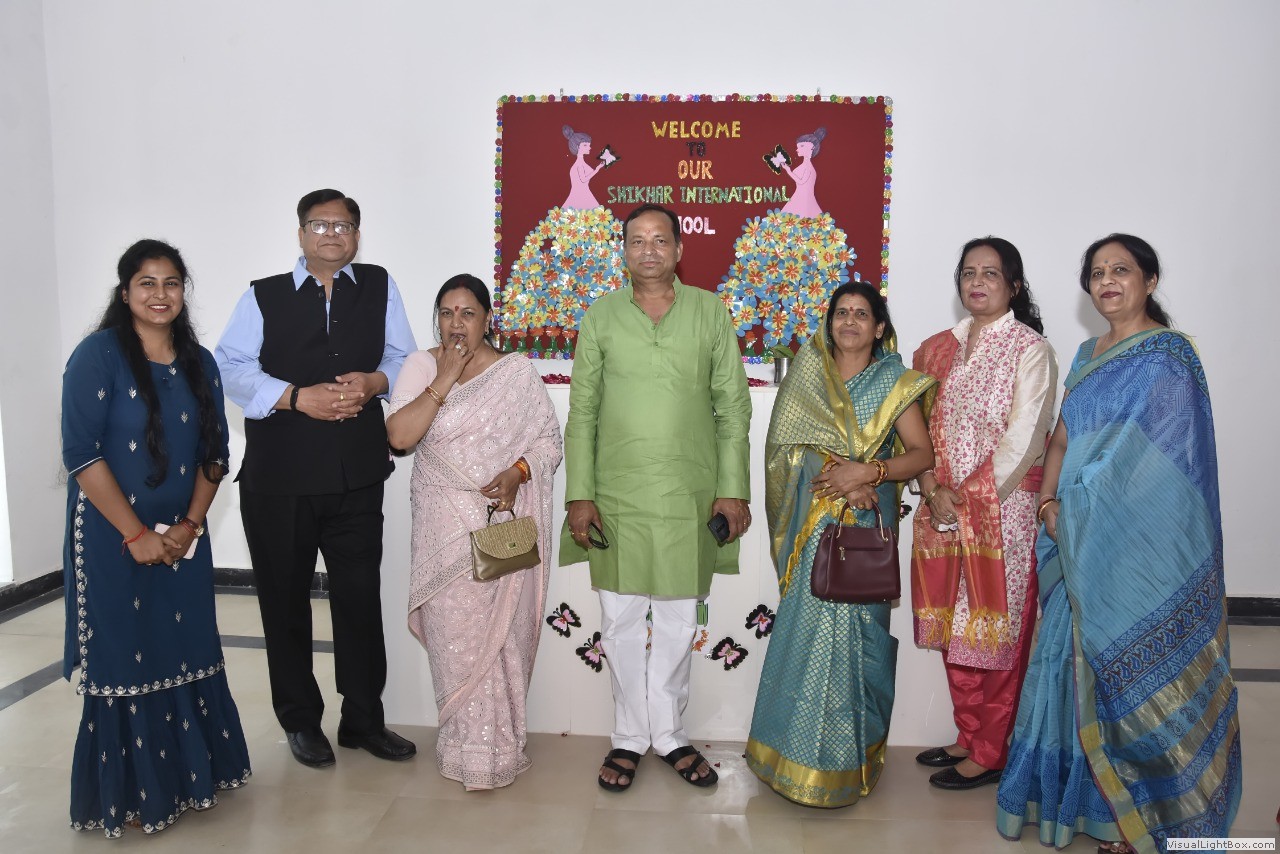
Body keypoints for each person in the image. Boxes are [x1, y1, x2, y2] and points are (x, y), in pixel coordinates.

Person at [996, 235, 1242, 853]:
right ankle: (1080, 809)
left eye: (1121, 270)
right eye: (1097, 273)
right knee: (1068, 667)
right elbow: (1062, 437)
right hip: (1074, 537)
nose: (1107, 281)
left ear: (1149, 281)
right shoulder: (1088, 353)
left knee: (1136, 677)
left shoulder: (1168, 359)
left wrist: (1081, 509)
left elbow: (1168, 462)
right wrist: (1048, 502)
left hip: (1138, 547)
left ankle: (1151, 820)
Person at [216, 189, 417, 767]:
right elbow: (228, 365)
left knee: (359, 600)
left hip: (357, 476)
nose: (332, 234)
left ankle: (363, 719)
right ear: (301, 233)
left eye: (343, 225)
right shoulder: (263, 294)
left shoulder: (379, 285)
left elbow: (404, 358)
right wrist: (293, 396)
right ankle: (301, 721)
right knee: (284, 605)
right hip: (279, 480)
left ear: (357, 235)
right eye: (320, 224)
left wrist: (376, 383)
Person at [561, 203, 752, 792]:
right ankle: (628, 736)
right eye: (637, 240)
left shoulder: (710, 312)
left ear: (678, 250)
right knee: (619, 618)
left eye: (660, 240)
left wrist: (732, 490)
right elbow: (582, 410)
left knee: (676, 618)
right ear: (624, 250)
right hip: (615, 494)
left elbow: (733, 407)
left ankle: (668, 735)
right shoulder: (601, 316)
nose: (648, 250)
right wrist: (580, 494)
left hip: (688, 494)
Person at [62, 240, 250, 836]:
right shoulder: (97, 356)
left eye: (171, 283)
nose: (160, 294)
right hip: (112, 536)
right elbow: (82, 455)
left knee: (186, 644)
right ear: (125, 293)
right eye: (147, 283)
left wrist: (189, 526)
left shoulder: (199, 361)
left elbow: (215, 453)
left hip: (182, 539)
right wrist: (137, 533)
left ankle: (192, 778)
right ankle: (133, 792)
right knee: (126, 650)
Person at [746, 281, 935, 808]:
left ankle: (844, 766)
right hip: (814, 529)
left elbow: (921, 455)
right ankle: (787, 758)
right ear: (830, 323)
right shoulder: (809, 377)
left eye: (861, 314)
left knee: (858, 641)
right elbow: (784, 449)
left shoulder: (895, 381)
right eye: (841, 313)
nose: (850, 322)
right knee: (804, 638)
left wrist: (869, 472)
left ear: (879, 328)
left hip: (864, 533)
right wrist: (838, 476)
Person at [385, 274, 562, 790]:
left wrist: (518, 473)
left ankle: (499, 749)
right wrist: (446, 377)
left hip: (498, 528)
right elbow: (399, 436)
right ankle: (463, 748)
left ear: (488, 319)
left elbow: (548, 441)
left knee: (502, 638)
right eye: (447, 313)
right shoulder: (421, 366)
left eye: (468, 313)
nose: (456, 323)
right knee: (455, 641)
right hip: (443, 531)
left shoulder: (516, 373)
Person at [910, 237, 1058, 790]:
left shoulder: (1030, 349)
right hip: (940, 509)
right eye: (969, 272)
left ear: (1013, 286)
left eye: (990, 273)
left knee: (995, 629)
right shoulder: (935, 350)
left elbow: (1026, 438)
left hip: (1003, 514)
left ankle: (993, 750)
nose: (977, 282)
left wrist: (966, 496)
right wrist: (931, 487)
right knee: (955, 627)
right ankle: (969, 733)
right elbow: (917, 429)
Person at [779, 127, 826, 219]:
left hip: (805, 200)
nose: (797, 150)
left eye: (801, 146)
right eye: (798, 147)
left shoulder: (808, 167)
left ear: (812, 147)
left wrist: (788, 170)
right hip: (798, 198)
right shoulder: (804, 165)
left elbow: (801, 181)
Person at [561, 125, 605, 211]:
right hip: (580, 196)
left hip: (585, 194)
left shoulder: (582, 163)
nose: (589, 147)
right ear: (577, 147)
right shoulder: (579, 164)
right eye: (585, 145)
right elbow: (583, 179)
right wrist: (597, 169)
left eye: (589, 145)